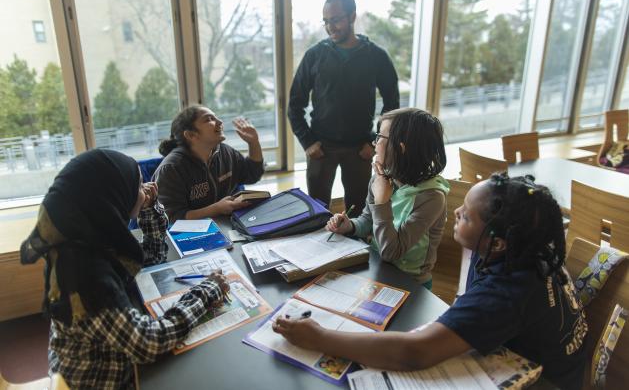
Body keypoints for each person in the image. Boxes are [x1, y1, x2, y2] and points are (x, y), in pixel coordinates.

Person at [274, 174, 588, 389]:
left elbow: (414, 353)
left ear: (498, 243)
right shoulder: (524, 247)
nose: (457, 212)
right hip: (541, 359)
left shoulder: (507, 292)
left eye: (466, 216)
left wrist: (320, 337)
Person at [20, 149, 229, 389]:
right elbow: (149, 344)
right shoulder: (86, 278)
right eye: (138, 185)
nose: (145, 189)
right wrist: (205, 291)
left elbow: (151, 259)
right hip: (101, 381)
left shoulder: (89, 240)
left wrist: (148, 208)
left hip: (108, 361)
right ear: (111, 197)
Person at [288, 0, 400, 213]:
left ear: (352, 17)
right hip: (321, 148)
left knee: (357, 212)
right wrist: (307, 141)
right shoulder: (314, 55)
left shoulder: (377, 56)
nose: (330, 27)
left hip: (360, 149)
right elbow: (294, 104)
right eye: (326, 22)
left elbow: (392, 107)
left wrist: (374, 142)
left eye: (336, 20)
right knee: (317, 211)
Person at [326, 108, 449, 289]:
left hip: (412, 284)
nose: (374, 143)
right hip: (377, 270)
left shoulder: (431, 197)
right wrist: (350, 226)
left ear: (400, 148)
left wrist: (383, 201)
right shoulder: (381, 177)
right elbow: (368, 220)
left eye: (379, 138)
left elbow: (391, 252)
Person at [153, 105, 265, 222]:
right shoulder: (171, 169)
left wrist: (253, 143)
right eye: (209, 119)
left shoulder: (225, 152)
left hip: (228, 226)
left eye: (216, 117)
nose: (220, 121)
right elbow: (171, 217)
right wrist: (216, 209)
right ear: (191, 135)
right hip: (191, 235)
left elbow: (253, 174)